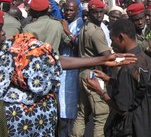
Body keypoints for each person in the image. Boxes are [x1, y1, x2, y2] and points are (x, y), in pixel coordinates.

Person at [0, 9, 137, 137]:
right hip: (15, 124)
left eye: (1, 27)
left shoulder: (13, 47)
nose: (2, 32)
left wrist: (103, 59)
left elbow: (53, 61)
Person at [86, 19, 151, 136]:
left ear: (121, 37)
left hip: (131, 129)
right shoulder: (146, 59)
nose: (112, 45)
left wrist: (100, 91)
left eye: (112, 40)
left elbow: (122, 109)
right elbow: (137, 88)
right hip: (147, 123)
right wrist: (109, 79)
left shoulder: (128, 68)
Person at [72, 0, 111, 137]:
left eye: (101, 12)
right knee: (101, 115)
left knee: (83, 113)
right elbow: (107, 56)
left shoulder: (85, 27)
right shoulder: (96, 31)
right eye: (95, 12)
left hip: (84, 72)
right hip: (94, 74)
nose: (99, 15)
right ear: (89, 13)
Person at [58, 0, 84, 137]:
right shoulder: (62, 22)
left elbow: (79, 45)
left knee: (73, 110)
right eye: (66, 9)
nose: (68, 12)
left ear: (77, 11)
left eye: (71, 10)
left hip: (74, 68)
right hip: (62, 69)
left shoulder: (80, 24)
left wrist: (67, 31)